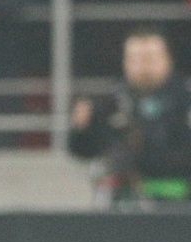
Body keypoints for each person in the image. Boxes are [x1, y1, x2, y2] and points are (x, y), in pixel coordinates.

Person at [68, 27, 191, 207]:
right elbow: (83, 150)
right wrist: (81, 129)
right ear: (125, 62)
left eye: (150, 58)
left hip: (181, 202)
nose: (144, 67)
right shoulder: (110, 102)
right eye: (136, 59)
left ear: (168, 59)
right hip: (123, 204)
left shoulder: (186, 100)